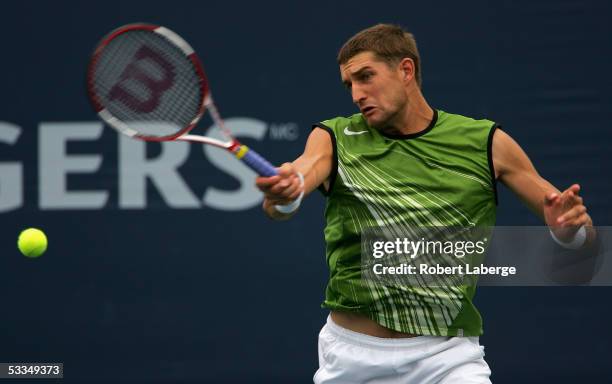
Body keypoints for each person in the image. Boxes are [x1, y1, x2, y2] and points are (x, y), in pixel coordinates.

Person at [255, 24, 595, 383]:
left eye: (366, 77)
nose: (356, 93)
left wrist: (569, 232)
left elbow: (584, 240)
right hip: (352, 358)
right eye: (349, 84)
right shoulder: (334, 137)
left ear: (405, 70)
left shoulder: (485, 143)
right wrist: (286, 195)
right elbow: (296, 183)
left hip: (447, 359)